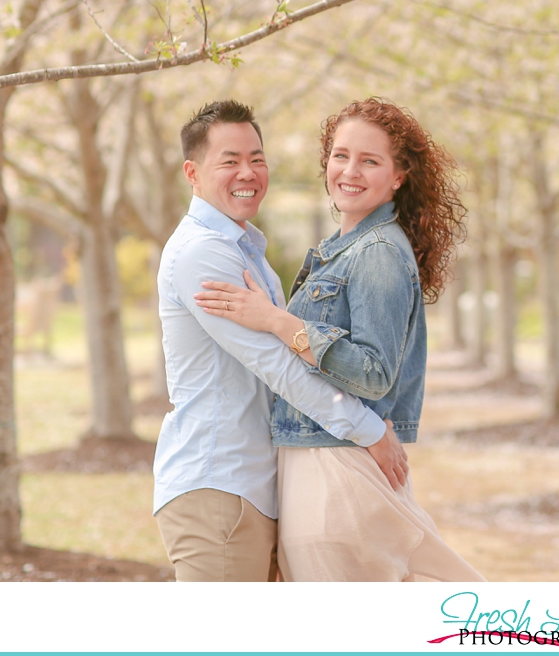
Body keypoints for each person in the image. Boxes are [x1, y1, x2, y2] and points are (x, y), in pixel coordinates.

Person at [194, 97, 486, 583]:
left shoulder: (376, 253)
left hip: (335, 471)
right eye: (341, 155)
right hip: (324, 463)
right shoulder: (346, 248)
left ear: (398, 176)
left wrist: (275, 321)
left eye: (370, 160)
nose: (350, 170)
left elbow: (373, 374)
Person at [152, 98, 409, 582]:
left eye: (256, 158)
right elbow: (279, 366)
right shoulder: (203, 256)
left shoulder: (245, 248)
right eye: (229, 161)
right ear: (192, 172)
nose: (247, 172)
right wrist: (369, 431)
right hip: (219, 485)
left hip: (255, 486)